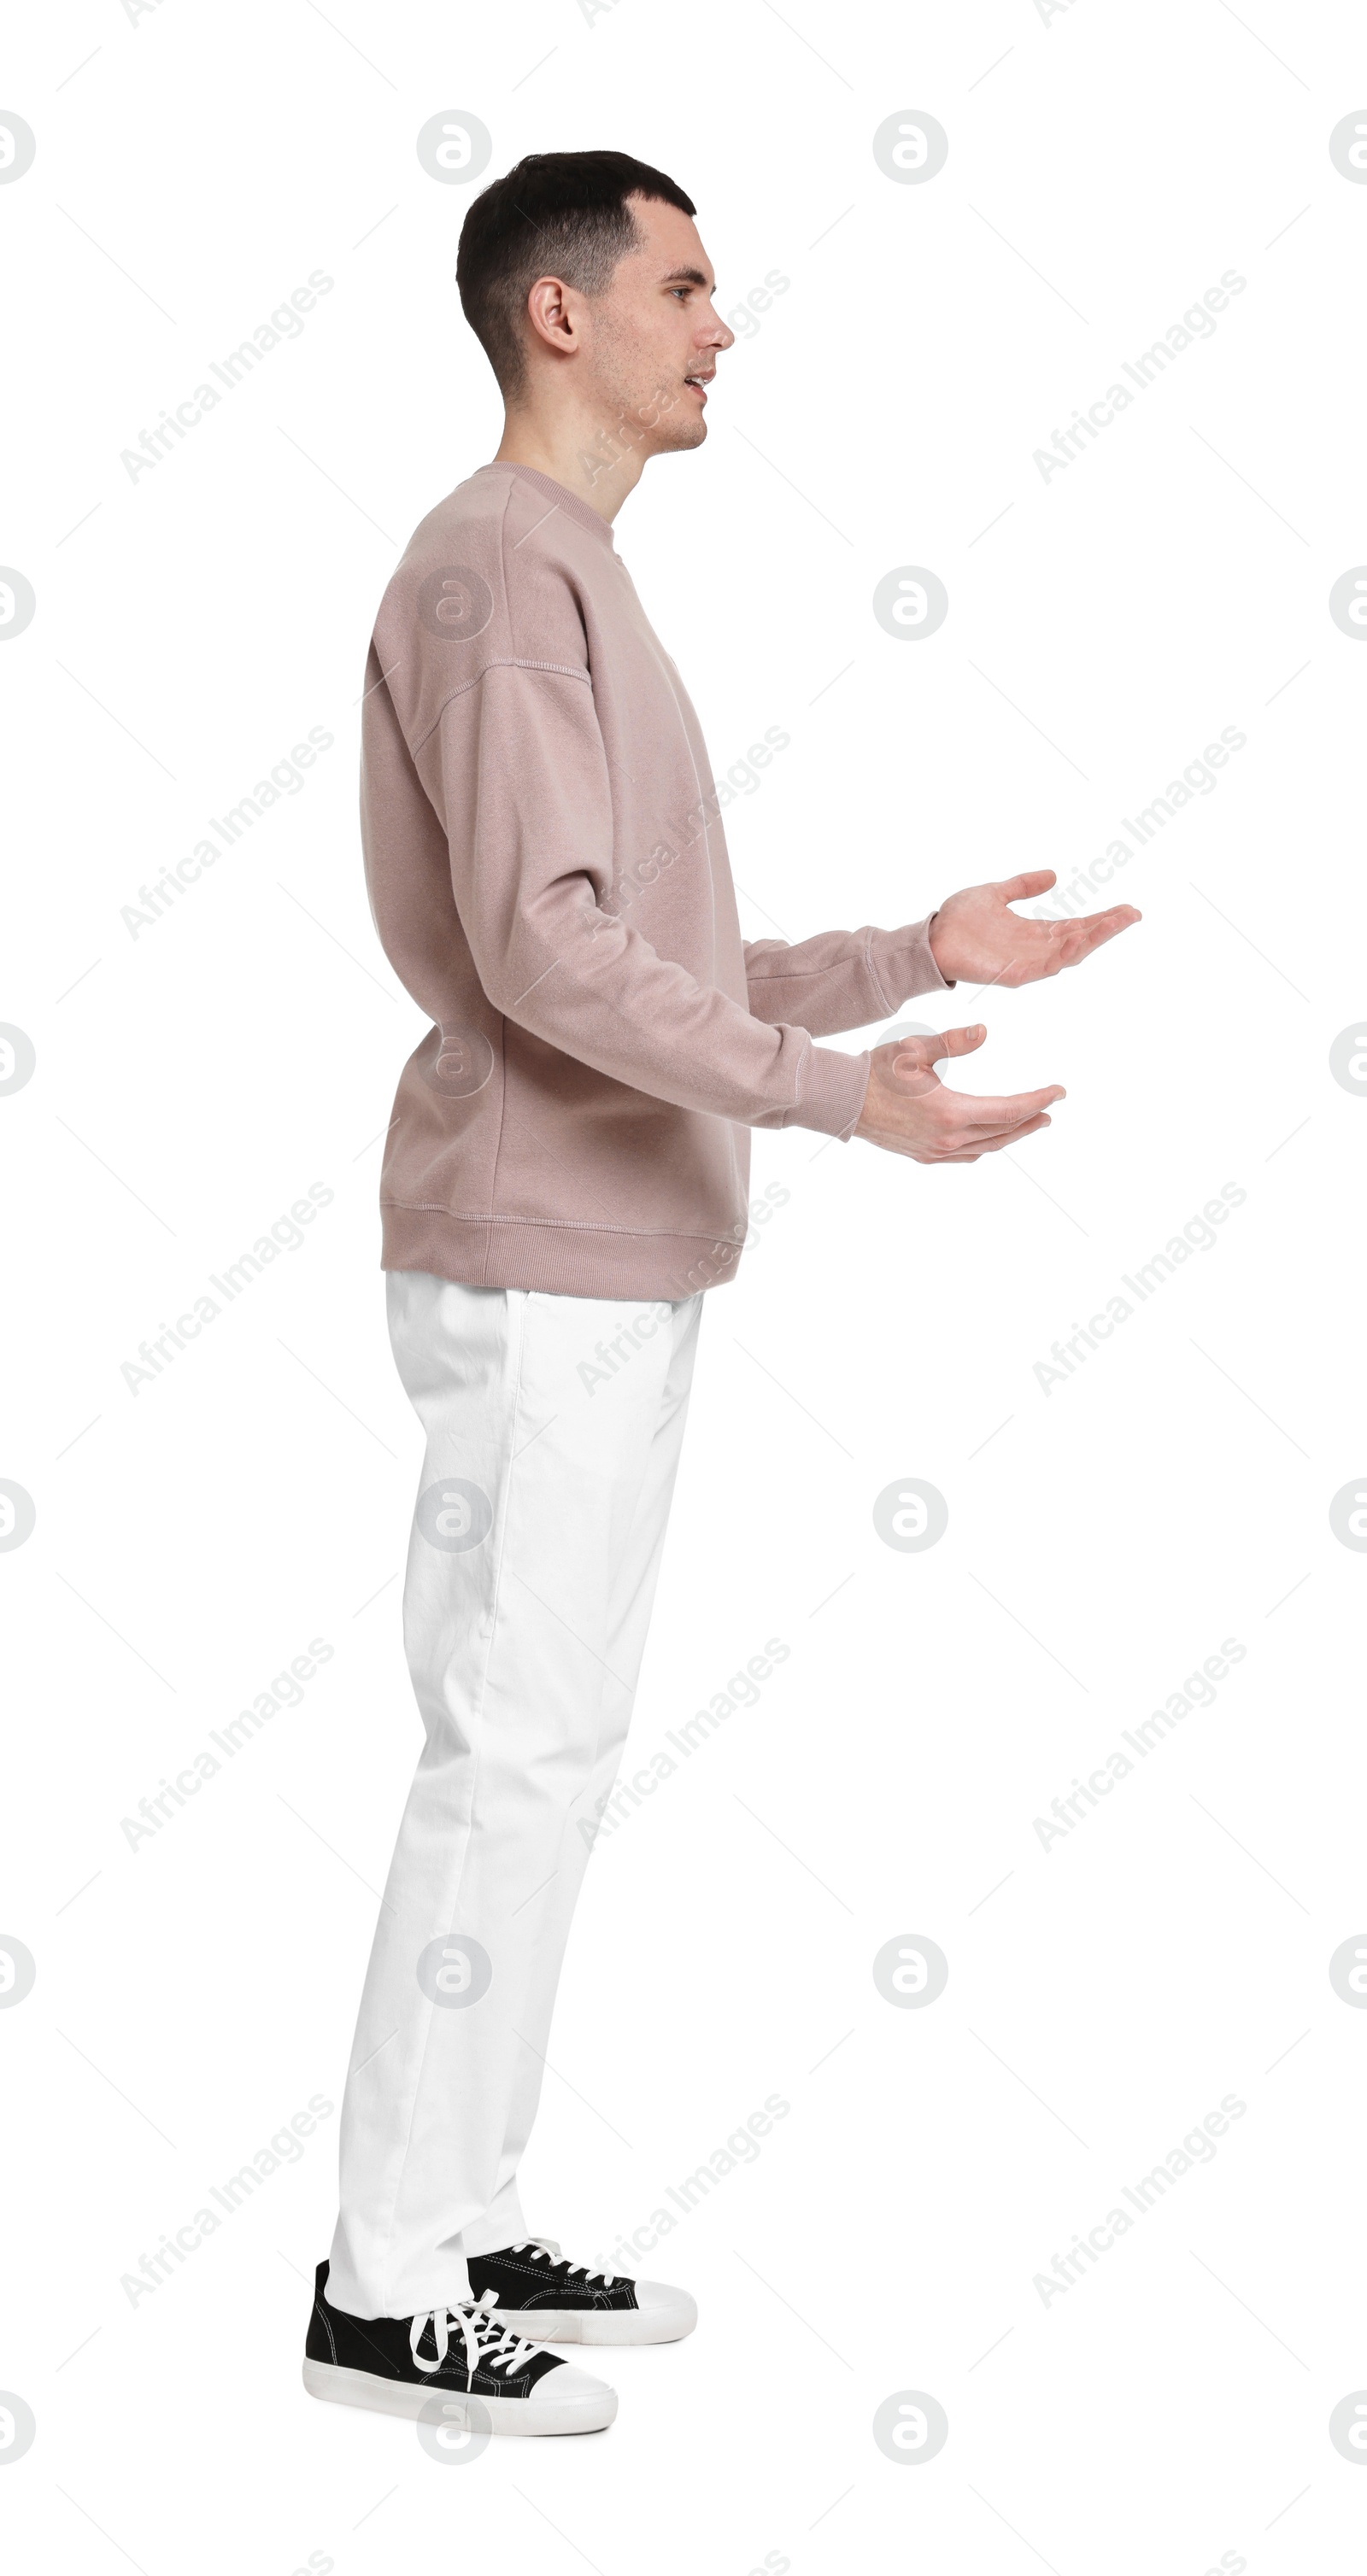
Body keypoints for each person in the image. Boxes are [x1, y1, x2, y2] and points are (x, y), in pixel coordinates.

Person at [302, 149, 1139, 2437]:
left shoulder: (569, 577)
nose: (721, 321)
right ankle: (385, 2290)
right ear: (555, 315)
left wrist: (900, 965)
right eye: (683, 282)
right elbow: (555, 966)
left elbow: (638, 956)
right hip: (537, 1240)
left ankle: (453, 2220)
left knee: (541, 1758)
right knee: (510, 1754)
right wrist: (854, 1106)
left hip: (610, 1242)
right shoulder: (495, 575)